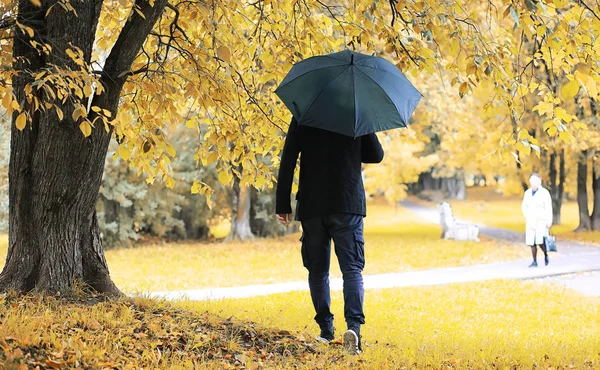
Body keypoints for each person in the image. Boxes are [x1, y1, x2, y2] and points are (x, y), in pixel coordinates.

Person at [275, 117, 384, 355]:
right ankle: (353, 329)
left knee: (317, 270)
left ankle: (326, 331)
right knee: (352, 269)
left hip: (312, 205)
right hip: (347, 203)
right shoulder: (355, 112)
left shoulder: (305, 112)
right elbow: (376, 155)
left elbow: (289, 157)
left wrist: (282, 203)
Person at [521, 173, 553, 267]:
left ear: (539, 182)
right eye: (531, 181)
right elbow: (524, 206)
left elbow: (548, 207)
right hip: (531, 220)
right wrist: (526, 215)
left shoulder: (544, 193)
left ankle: (545, 254)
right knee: (532, 242)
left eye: (535, 181)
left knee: (540, 240)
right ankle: (534, 261)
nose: (533, 183)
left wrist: (549, 220)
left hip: (541, 220)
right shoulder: (527, 193)